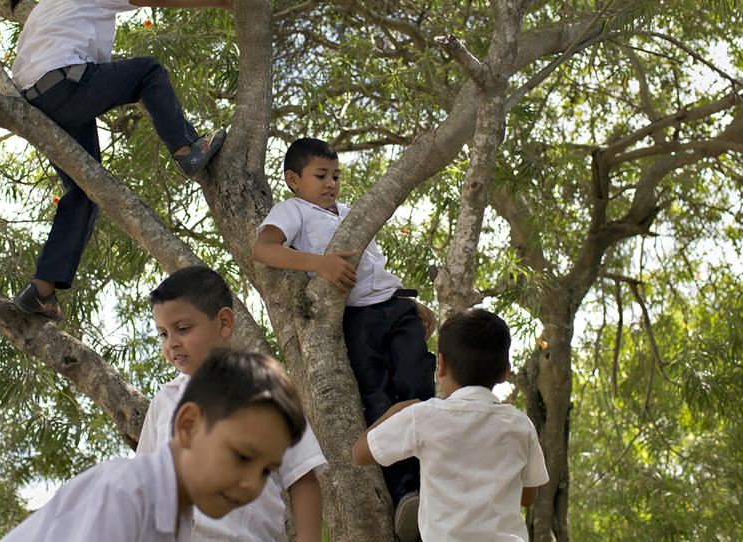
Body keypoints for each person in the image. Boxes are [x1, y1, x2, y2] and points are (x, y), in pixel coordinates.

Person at [11, 0, 232, 320]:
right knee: (149, 70)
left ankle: (41, 291)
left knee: (84, 190)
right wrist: (225, 0)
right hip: (66, 85)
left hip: (37, 103)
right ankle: (187, 150)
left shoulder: (47, 10)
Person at [251, 137, 437, 541]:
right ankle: (407, 493)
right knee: (377, 398)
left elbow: (374, 268)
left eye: (336, 176)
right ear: (293, 181)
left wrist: (411, 302)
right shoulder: (293, 211)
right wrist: (319, 264)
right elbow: (264, 249)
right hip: (357, 319)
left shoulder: (351, 214)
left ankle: (435, 483)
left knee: (418, 384)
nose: (331, 183)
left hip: (395, 306)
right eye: (321, 176)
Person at [0, 348, 305, 542]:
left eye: (267, 471)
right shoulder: (125, 494)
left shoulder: (175, 520)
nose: (252, 485)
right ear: (188, 426)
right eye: (241, 456)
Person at [137, 266, 326, 542]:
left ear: (224, 323)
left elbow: (301, 476)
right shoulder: (164, 402)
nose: (172, 344)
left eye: (183, 329)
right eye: (163, 334)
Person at [352, 308, 549, 542]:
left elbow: (360, 454)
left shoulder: (422, 416)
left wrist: (398, 410)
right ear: (505, 372)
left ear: (441, 365)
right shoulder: (520, 425)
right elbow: (527, 497)